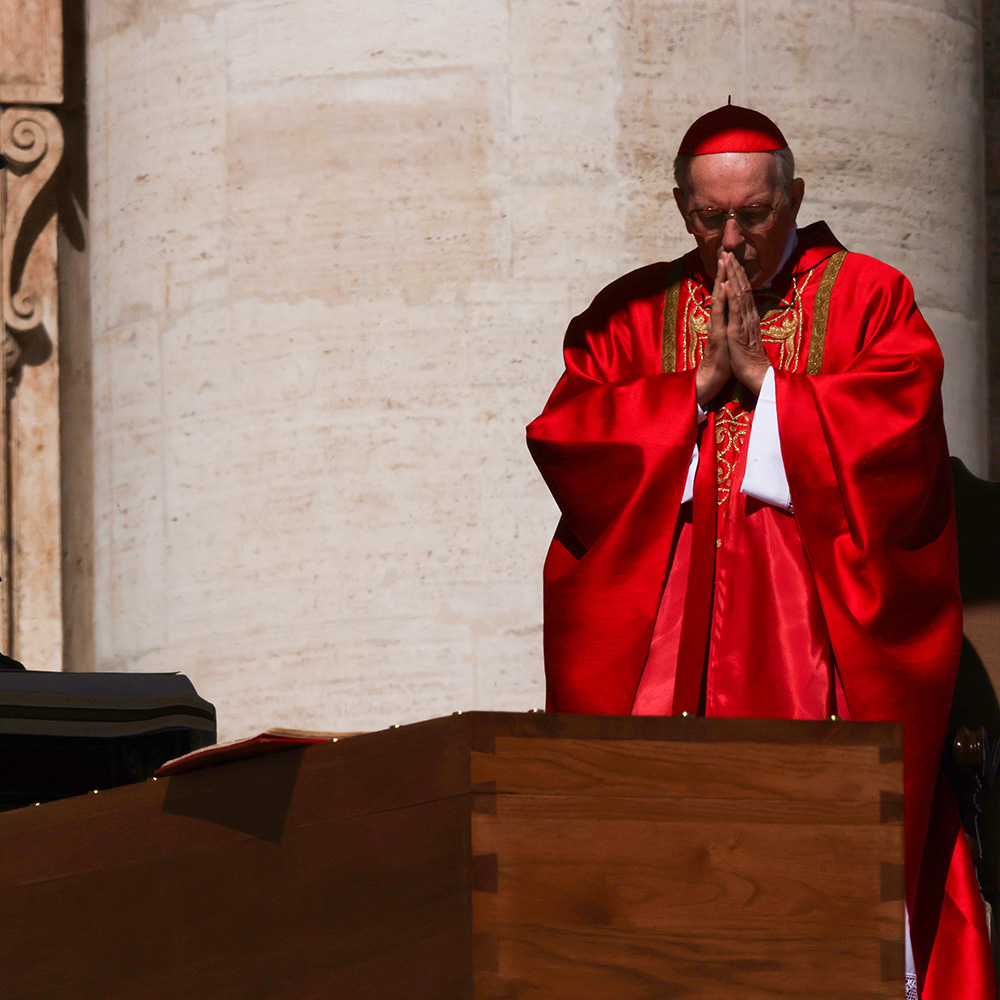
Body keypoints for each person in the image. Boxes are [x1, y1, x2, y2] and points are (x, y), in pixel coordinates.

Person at [526, 102, 996, 999]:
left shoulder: (868, 298)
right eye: (711, 218)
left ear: (797, 198)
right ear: (680, 208)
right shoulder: (630, 318)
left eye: (757, 214)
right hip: (665, 664)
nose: (733, 238)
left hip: (812, 648)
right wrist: (691, 392)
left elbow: (900, 437)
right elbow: (570, 433)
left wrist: (777, 399)